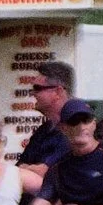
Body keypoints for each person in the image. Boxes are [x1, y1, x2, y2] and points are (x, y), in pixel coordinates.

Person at [16, 61, 76, 190]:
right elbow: (18, 169)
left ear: (58, 92)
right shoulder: (43, 130)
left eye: (37, 88)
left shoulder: (76, 128)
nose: (33, 93)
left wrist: (27, 169)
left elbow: (45, 172)